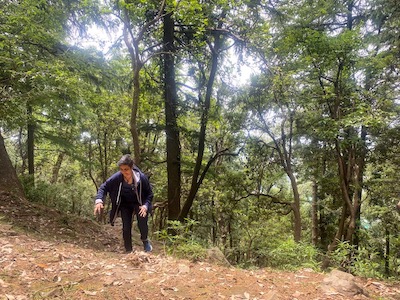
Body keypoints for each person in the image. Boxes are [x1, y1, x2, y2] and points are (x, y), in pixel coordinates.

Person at [94, 154, 153, 253]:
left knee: (142, 222)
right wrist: (99, 200)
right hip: (125, 203)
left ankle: (145, 241)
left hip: (140, 203)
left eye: (126, 169)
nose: (123, 172)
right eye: (121, 169)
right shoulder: (118, 177)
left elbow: (150, 194)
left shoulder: (141, 178)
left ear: (131, 168)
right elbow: (104, 186)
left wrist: (146, 206)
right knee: (126, 227)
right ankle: (128, 250)